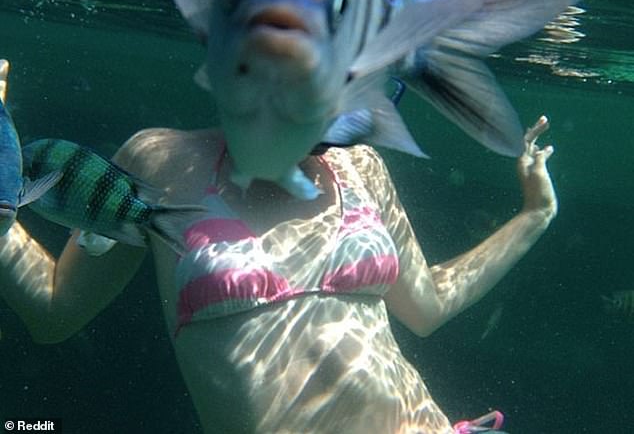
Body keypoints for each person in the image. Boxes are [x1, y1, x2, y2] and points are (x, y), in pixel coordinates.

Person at [0, 60, 557, 434]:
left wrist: (534, 215)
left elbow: (427, 306)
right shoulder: (159, 163)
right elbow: (55, 308)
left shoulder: (362, 168)